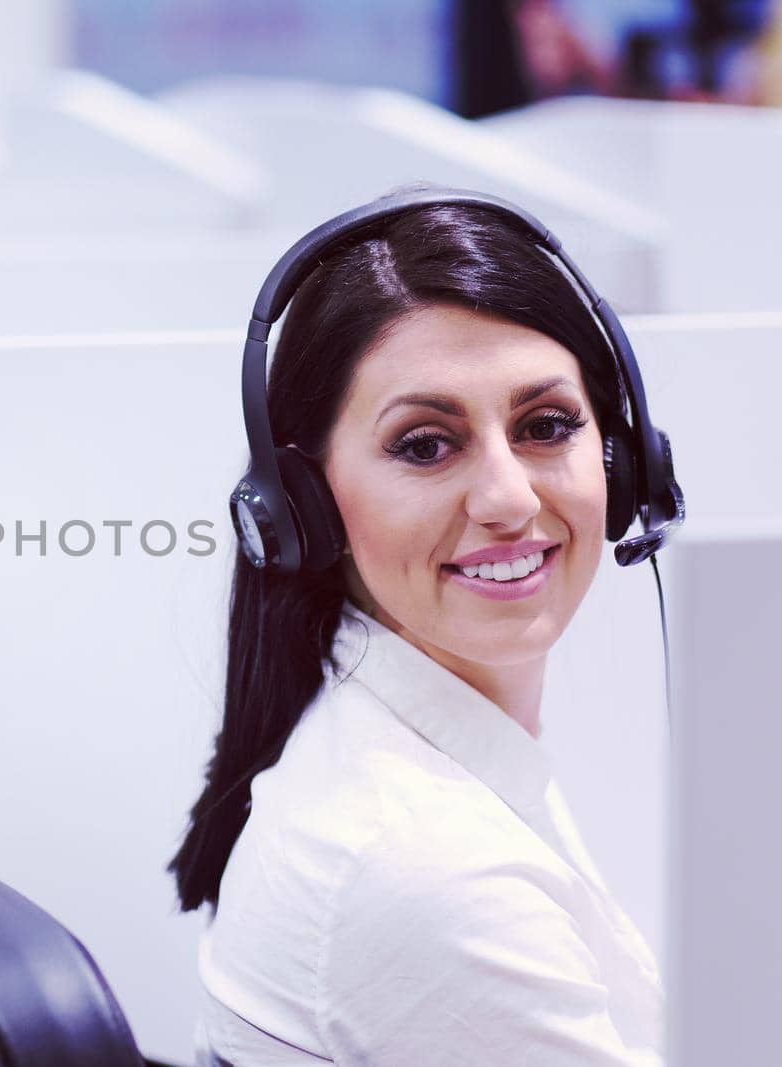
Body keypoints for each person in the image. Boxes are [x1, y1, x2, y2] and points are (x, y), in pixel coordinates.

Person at [172, 190, 677, 1066]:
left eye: (546, 426)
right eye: (425, 444)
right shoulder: (422, 868)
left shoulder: (419, 766)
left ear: (622, 462)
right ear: (304, 506)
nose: (509, 498)